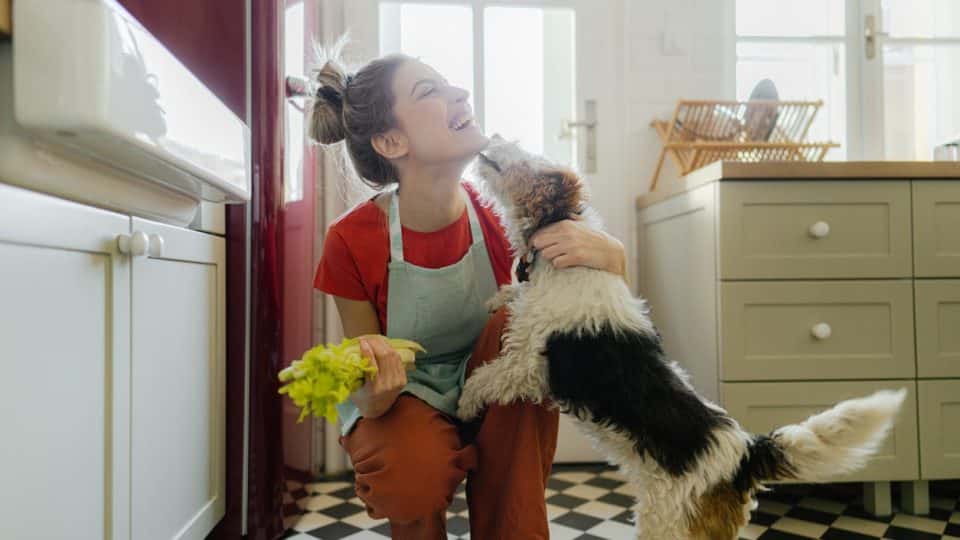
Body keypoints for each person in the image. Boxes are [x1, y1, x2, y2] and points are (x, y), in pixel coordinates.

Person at [309, 46, 627, 539]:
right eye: (428, 91)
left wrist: (613, 259)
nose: (459, 93)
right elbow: (364, 374)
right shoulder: (350, 239)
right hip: (403, 398)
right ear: (391, 140)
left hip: (495, 389)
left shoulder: (504, 217)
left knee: (521, 325)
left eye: (448, 82)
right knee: (406, 476)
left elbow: (587, 312)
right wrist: (371, 397)